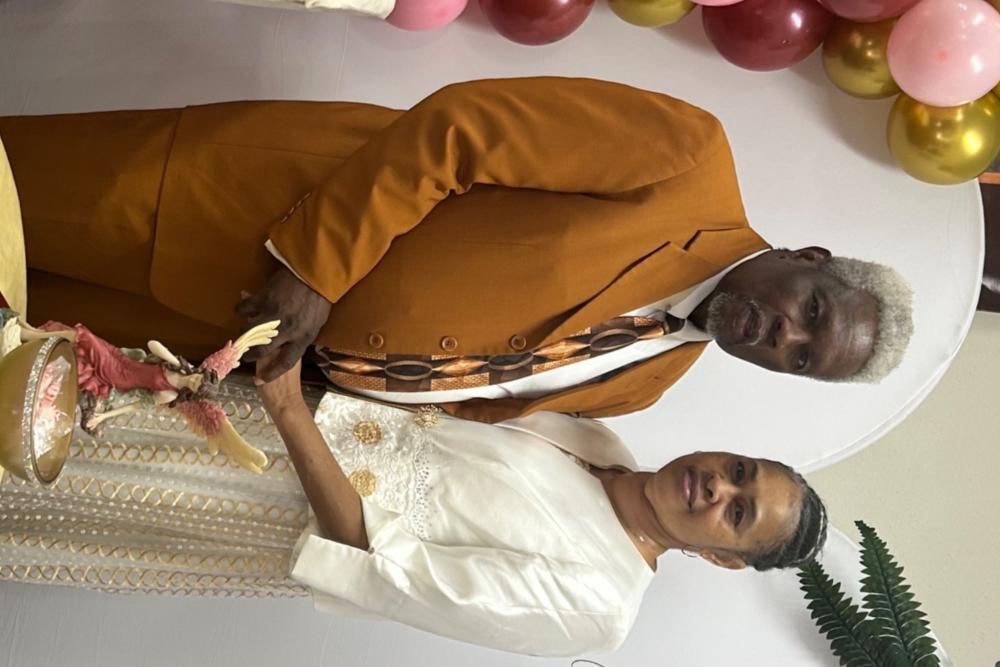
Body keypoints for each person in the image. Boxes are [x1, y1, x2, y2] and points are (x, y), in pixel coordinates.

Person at [0, 77, 913, 423]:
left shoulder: (647, 383)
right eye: (812, 311)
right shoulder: (688, 163)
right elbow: (461, 127)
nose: (784, 334)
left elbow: (467, 399)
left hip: (214, 340)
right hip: (223, 210)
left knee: (12, 325)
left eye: (801, 357)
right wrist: (316, 267)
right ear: (807, 256)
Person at [0, 354, 829, 657]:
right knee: (69, 383)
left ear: (719, 557)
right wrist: (287, 389)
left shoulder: (599, 605)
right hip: (269, 408)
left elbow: (384, 570)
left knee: (48, 460)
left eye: (737, 513)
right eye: (741, 470)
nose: (718, 486)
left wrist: (287, 411)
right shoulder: (601, 439)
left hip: (251, 501)